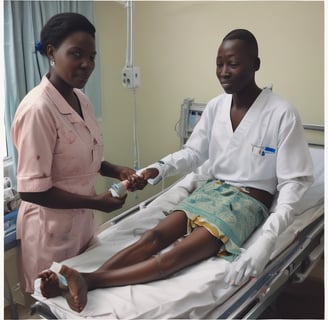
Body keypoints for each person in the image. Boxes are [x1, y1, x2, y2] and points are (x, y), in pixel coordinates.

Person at [38, 29, 313, 313]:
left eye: (233, 63)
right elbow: (193, 153)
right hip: (211, 190)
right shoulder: (217, 107)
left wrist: (265, 242)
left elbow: (294, 182)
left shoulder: (282, 113)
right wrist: (157, 169)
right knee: (153, 238)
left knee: (173, 258)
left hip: (246, 202)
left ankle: (88, 280)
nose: (224, 72)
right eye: (219, 63)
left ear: (256, 64)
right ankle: (80, 280)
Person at [11, 12, 146, 294]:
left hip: (81, 223)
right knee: (56, 301)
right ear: (51, 52)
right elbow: (31, 191)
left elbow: (82, 158)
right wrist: (97, 201)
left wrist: (115, 169)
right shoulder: (38, 109)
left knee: (84, 293)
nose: (87, 64)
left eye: (92, 56)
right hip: (50, 231)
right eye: (76, 54)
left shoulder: (79, 98)